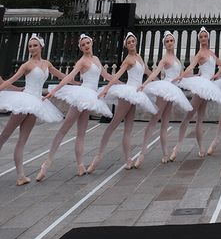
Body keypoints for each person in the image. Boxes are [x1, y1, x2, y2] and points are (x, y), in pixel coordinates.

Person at [38, 33, 114, 180]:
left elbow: (106, 75)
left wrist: (120, 83)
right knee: (64, 129)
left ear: (91, 43)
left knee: (81, 133)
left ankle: (80, 165)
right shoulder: (82, 61)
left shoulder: (96, 59)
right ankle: (46, 164)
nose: (86, 46)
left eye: (87, 43)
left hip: (90, 97)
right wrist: (54, 90)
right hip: (82, 95)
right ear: (80, 47)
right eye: (83, 44)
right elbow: (69, 76)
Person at [88, 33, 158, 173]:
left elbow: (148, 71)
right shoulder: (128, 60)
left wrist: (156, 81)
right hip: (128, 93)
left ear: (136, 43)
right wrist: (107, 89)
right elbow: (117, 75)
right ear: (126, 45)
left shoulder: (138, 57)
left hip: (136, 94)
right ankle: (98, 156)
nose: (132, 44)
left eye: (133, 41)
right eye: (129, 42)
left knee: (128, 128)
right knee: (114, 123)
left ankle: (128, 159)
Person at [0, 34, 63, 185]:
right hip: (24, 101)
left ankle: (21, 176)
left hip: (36, 103)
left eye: (35, 45)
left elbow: (61, 76)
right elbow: (11, 80)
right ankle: (20, 175)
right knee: (4, 136)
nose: (32, 48)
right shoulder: (26, 65)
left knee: (22, 141)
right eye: (30, 46)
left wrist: (76, 82)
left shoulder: (47, 64)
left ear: (41, 47)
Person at [135, 31, 193, 167]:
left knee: (165, 124)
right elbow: (156, 71)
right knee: (155, 119)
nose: (169, 43)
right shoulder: (165, 58)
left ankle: (165, 154)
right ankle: (142, 153)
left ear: (174, 42)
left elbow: (181, 75)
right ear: (164, 44)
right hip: (165, 88)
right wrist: (144, 83)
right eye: (167, 41)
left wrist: (197, 76)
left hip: (172, 91)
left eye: (171, 41)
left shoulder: (177, 59)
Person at [172, 27, 221, 160]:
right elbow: (191, 66)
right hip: (202, 85)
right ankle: (177, 147)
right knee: (189, 115)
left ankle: (202, 148)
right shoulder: (199, 54)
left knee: (200, 120)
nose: (203, 39)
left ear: (208, 38)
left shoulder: (212, 53)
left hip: (209, 86)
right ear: (199, 39)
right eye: (201, 37)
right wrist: (182, 76)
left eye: (205, 36)